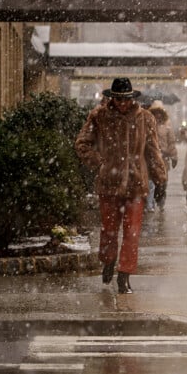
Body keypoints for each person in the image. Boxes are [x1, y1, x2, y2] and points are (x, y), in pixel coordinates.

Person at [75, 77, 167, 294]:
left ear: (132, 98)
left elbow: (153, 152)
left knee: (132, 232)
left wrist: (160, 179)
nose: (122, 103)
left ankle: (124, 275)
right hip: (109, 183)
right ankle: (108, 261)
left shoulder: (146, 118)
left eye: (125, 99)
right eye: (118, 99)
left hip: (136, 183)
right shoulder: (99, 116)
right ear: (111, 98)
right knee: (108, 230)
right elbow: (82, 143)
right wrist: (99, 162)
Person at [148, 100, 178, 212]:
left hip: (163, 158)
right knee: (151, 181)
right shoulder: (148, 124)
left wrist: (174, 156)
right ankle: (150, 204)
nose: (157, 115)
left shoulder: (167, 126)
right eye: (155, 112)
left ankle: (160, 201)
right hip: (151, 157)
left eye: (159, 112)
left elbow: (171, 142)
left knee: (162, 182)